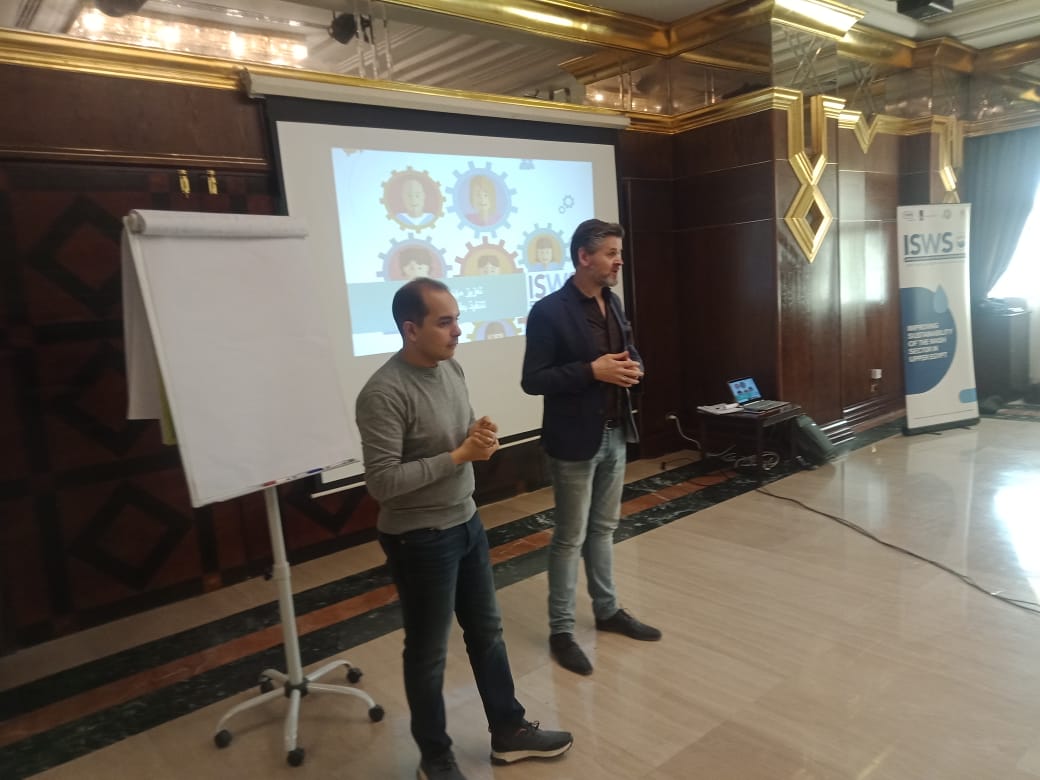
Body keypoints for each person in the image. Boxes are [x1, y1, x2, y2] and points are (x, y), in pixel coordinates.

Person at [357, 278, 573, 780]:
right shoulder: (383, 393)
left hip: (465, 520)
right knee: (429, 653)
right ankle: (435, 758)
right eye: (445, 322)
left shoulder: (450, 368)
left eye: (457, 318)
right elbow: (383, 483)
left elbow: (460, 433)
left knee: (487, 631)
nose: (458, 331)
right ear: (411, 329)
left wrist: (478, 435)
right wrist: (459, 455)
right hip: (418, 538)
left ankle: (509, 731)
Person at [520, 218, 661, 676]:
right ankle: (561, 631)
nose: (619, 261)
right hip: (574, 441)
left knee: (603, 529)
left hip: (616, 433)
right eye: (611, 253)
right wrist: (590, 371)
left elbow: (628, 351)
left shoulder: (612, 302)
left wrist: (635, 367)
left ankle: (607, 610)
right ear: (584, 257)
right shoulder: (549, 311)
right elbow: (532, 380)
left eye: (619, 252)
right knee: (569, 537)